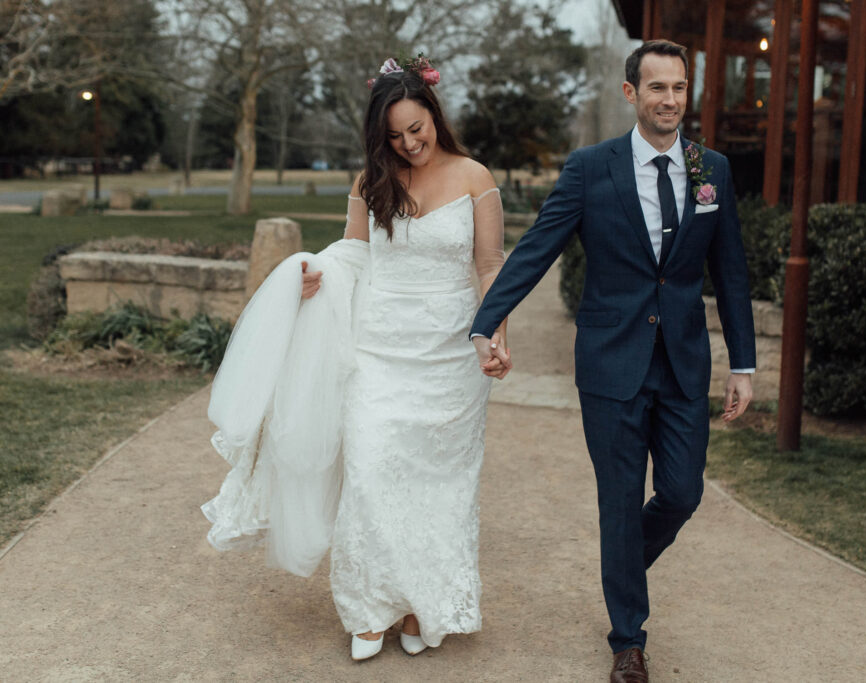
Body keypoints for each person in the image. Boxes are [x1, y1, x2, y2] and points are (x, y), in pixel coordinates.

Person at [203, 56, 508, 663]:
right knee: (370, 475)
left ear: (434, 115)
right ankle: (370, 608)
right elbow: (353, 254)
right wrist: (312, 273)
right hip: (379, 352)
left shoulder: (475, 177)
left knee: (440, 487)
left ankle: (422, 605)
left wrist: (494, 334)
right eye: (394, 136)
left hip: (451, 359)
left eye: (416, 128)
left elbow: (489, 265)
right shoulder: (371, 181)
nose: (409, 144)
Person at [471, 40, 756, 682]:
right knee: (621, 501)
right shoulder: (589, 169)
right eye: (657, 87)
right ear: (631, 93)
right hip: (610, 363)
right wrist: (488, 322)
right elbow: (538, 247)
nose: (670, 100)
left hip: (683, 362)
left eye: (678, 87)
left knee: (681, 492)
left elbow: (731, 271)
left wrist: (742, 363)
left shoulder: (711, 169)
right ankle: (628, 641)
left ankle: (621, 567)